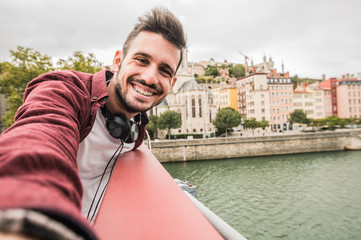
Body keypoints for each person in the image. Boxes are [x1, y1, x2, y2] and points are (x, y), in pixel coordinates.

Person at [0, 7, 186, 240]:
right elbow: (39, 137)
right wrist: (28, 215)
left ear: (173, 82)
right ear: (118, 61)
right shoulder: (64, 90)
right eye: (141, 60)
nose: (150, 78)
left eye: (164, 71)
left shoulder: (136, 127)